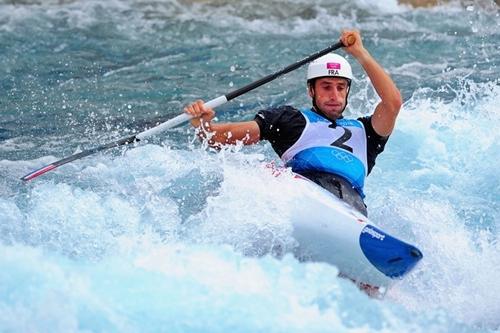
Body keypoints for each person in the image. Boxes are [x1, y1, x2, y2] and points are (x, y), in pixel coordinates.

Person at [183, 30, 402, 217]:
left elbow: (392, 103)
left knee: (350, 202)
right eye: (326, 86)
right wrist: (203, 126)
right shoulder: (291, 121)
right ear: (311, 90)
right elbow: (221, 138)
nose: (334, 95)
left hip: (351, 207)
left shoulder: (366, 132)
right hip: (303, 194)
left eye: (341, 87)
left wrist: (360, 53)